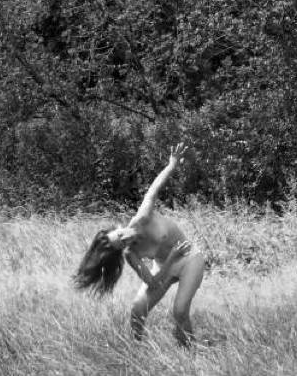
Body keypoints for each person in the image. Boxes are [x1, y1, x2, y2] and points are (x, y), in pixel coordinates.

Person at [74, 142, 205, 347]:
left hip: (189, 259)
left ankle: (190, 351)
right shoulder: (130, 254)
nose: (126, 239)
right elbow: (152, 282)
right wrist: (170, 259)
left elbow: (154, 189)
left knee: (179, 312)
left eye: (120, 235)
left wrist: (171, 165)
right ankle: (138, 351)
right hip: (165, 265)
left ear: (119, 227)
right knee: (137, 311)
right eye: (122, 244)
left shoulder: (142, 217)